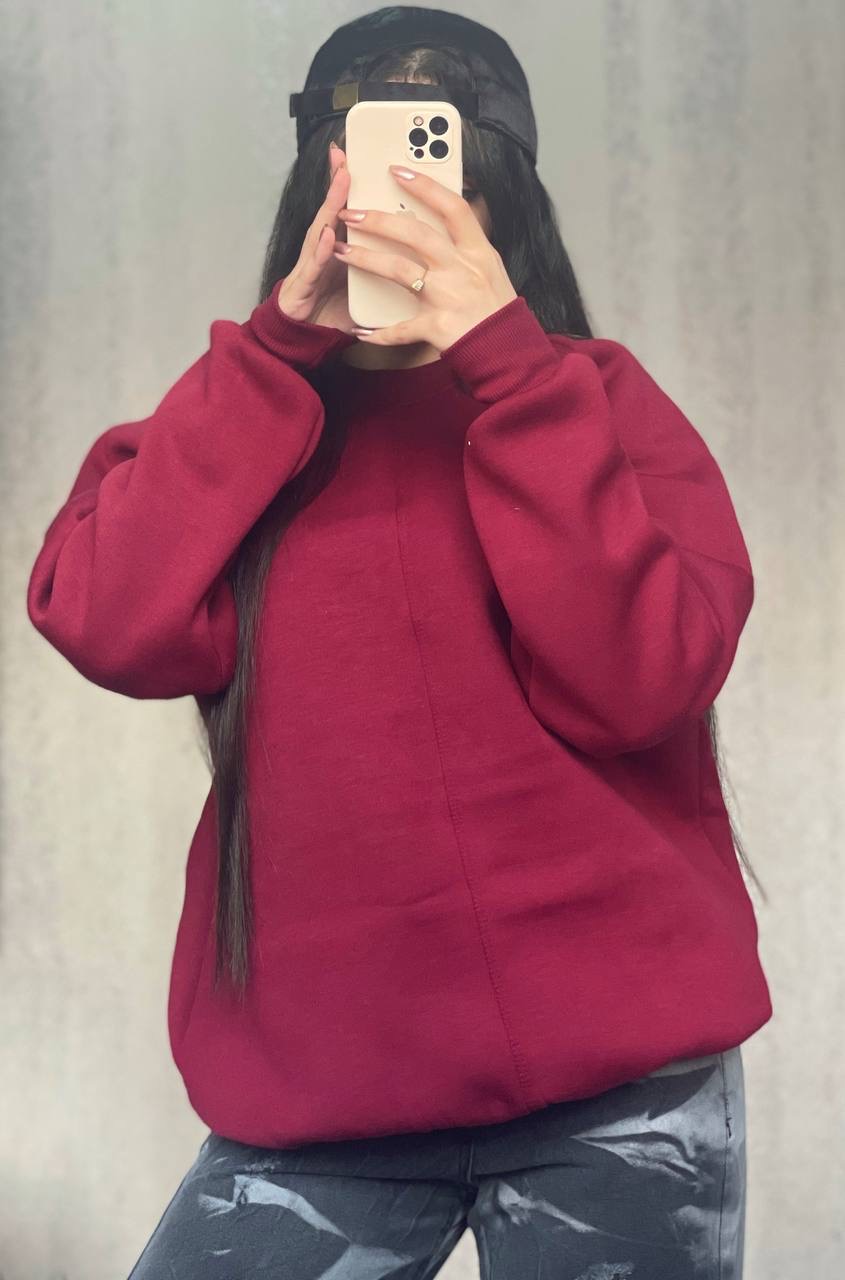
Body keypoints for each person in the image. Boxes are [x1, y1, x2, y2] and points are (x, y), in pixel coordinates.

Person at [26, 8, 772, 1278]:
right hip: (320, 1104)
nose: (407, 209)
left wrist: (510, 366)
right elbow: (102, 615)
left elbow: (642, 681)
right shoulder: (243, 428)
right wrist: (277, 345)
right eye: (371, 173)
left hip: (622, 1089)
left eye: (443, 176)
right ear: (315, 194)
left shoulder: (593, 401)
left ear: (501, 203)